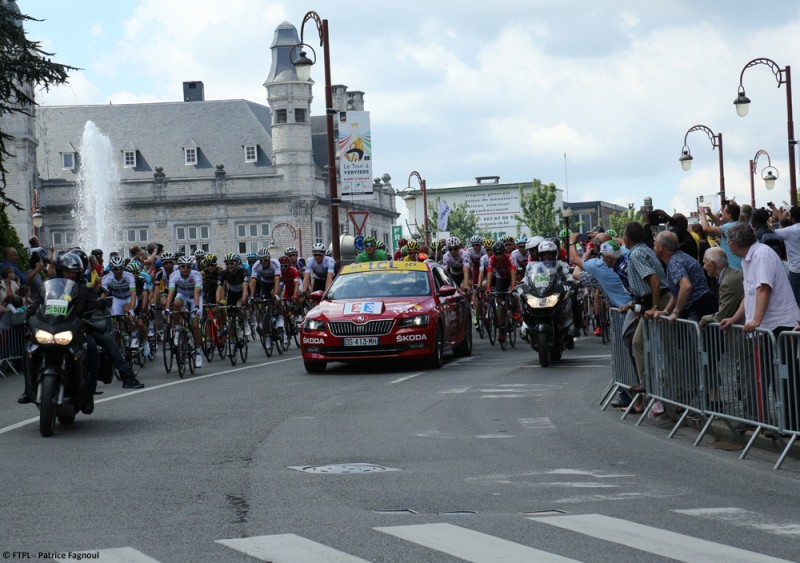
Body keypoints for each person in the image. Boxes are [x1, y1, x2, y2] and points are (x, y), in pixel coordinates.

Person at [720, 223, 800, 430]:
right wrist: (736, 318)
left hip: (780, 324)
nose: (727, 244)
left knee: (785, 377)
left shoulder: (761, 255)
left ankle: (791, 425)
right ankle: (776, 423)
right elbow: (750, 294)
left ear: (734, 243)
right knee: (768, 375)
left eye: (728, 241)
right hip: (769, 325)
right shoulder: (750, 258)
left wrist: (755, 320)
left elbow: (764, 289)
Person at [621, 221, 670, 383]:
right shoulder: (646, 249)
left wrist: (655, 307)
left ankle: (648, 383)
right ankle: (650, 382)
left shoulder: (636, 255)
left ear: (627, 238)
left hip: (658, 300)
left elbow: (654, 280)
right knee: (641, 342)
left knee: (654, 344)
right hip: (651, 300)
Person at [650, 230, 717, 322]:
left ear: (661, 247)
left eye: (654, 244)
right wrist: (666, 311)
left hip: (698, 307)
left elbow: (686, 287)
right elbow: (678, 291)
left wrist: (675, 313)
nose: (653, 247)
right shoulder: (679, 258)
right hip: (703, 304)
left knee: (697, 336)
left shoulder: (674, 262)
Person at [165, 255, 205, 367]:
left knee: (195, 325)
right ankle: (177, 329)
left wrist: (196, 307)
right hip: (182, 294)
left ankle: (198, 352)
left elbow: (197, 292)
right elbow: (171, 293)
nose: (185, 269)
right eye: (183, 266)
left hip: (194, 298)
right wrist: (167, 308)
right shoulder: (174, 275)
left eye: (188, 267)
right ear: (179, 267)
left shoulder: (196, 275)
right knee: (177, 304)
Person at [698, 201, 743, 270]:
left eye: (724, 212)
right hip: (738, 265)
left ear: (729, 215)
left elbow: (706, 229)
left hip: (732, 267)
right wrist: (710, 214)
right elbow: (721, 224)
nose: (721, 213)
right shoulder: (737, 224)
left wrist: (702, 214)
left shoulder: (728, 226)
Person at [772, 205, 800, 308]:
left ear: (792, 218)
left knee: (795, 301)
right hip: (794, 269)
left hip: (795, 270)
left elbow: (771, 230)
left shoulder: (788, 231)